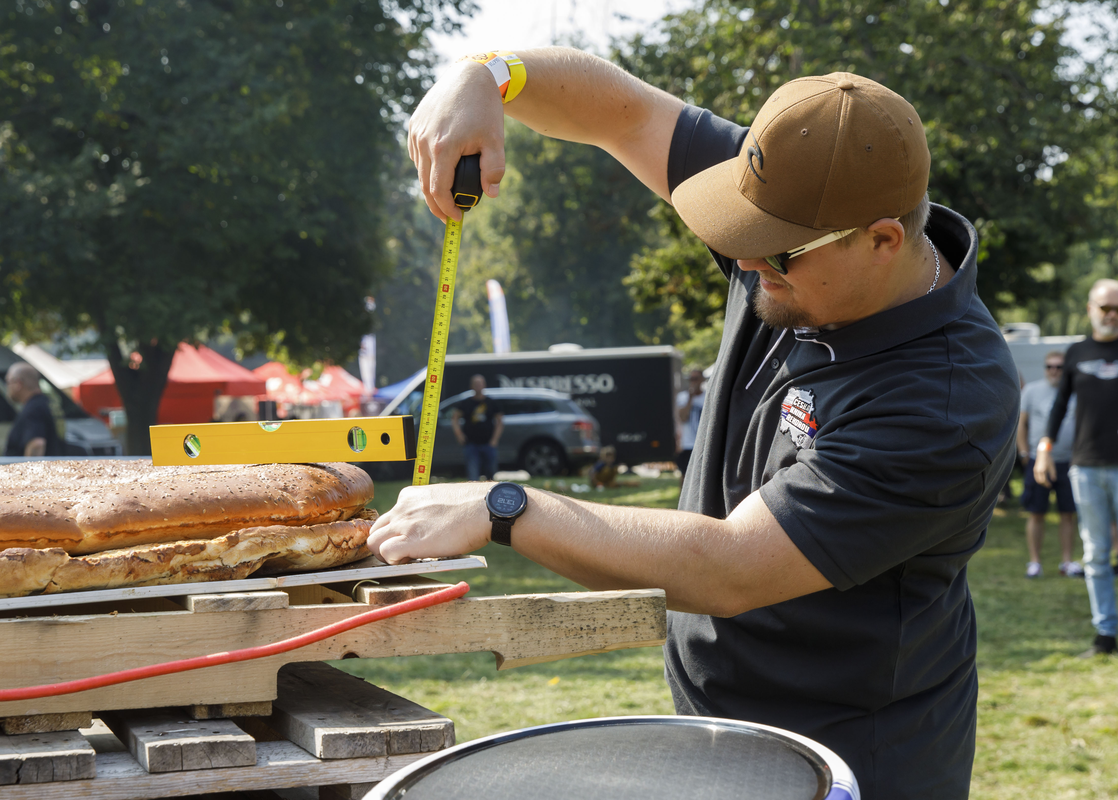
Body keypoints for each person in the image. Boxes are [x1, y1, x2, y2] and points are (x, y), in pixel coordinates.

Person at [371, 48, 1019, 800]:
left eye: (772, 253)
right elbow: (626, 113)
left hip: (855, 757)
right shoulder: (798, 199)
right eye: (737, 230)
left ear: (882, 239)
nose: (743, 263)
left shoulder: (946, 402)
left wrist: (504, 506)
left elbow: (731, 567)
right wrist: (488, 76)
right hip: (720, 729)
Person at [1036, 279, 1118, 659]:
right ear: (1090, 308)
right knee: (1094, 556)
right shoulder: (1076, 352)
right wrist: (1044, 450)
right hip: (1086, 467)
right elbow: (1059, 409)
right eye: (1106, 308)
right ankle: (1105, 636)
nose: (1112, 315)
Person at [1017, 351, 1082, 577]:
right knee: (1036, 513)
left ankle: (1067, 561)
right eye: (1049, 367)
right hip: (1039, 461)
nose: (1054, 371)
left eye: (1059, 367)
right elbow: (1021, 424)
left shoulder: (1075, 392)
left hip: (1069, 461)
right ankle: (1034, 562)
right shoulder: (1031, 391)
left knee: (1068, 514)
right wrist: (1025, 452)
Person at [451, 374, 504, 481]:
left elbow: (500, 421)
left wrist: (495, 440)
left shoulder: (491, 403)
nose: (478, 386)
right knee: (473, 475)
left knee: (491, 475)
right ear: (471, 386)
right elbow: (455, 418)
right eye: (476, 384)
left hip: (488, 444)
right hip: (471, 445)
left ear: (484, 385)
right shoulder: (466, 403)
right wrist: (459, 434)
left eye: (480, 384)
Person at [4, 362, 61, 458]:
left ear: (18, 383)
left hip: (30, 471)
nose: (7, 387)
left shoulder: (34, 408)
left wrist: (28, 471)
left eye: (8, 382)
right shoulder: (46, 403)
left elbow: (37, 444)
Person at [675, 369, 705, 479]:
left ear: (702, 380)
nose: (694, 382)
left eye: (696, 379)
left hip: (704, 443)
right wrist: (690, 398)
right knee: (685, 476)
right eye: (691, 379)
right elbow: (682, 418)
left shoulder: (708, 396)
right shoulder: (682, 397)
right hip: (687, 444)